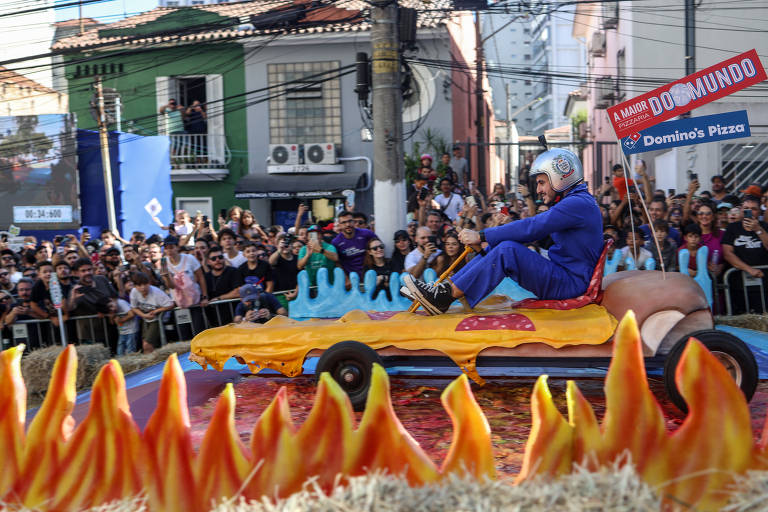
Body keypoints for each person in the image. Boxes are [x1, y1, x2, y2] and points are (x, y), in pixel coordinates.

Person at [402, 148, 602, 315]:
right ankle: (445, 291)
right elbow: (531, 228)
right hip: (565, 276)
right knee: (505, 247)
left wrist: (481, 236)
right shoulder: (578, 202)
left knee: (508, 250)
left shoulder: (577, 203)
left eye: (542, 182)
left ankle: (444, 297)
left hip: (570, 283)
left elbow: (532, 227)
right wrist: (485, 242)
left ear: (560, 178)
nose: (539, 190)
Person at [721, 196, 768, 313]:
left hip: (763, 284)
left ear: (759, 211)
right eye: (746, 208)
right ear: (741, 210)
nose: (750, 212)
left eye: (753, 209)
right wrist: (749, 269)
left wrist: (758, 229)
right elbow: (727, 253)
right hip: (738, 284)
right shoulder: (732, 228)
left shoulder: (765, 227)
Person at [129, 272, 175, 354]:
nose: (143, 287)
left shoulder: (156, 292)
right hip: (146, 319)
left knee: (147, 344)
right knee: (145, 344)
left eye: (145, 284)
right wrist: (144, 315)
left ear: (149, 283)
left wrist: (156, 311)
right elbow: (133, 307)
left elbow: (171, 304)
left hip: (157, 319)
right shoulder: (134, 292)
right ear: (135, 286)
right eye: (139, 285)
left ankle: (154, 364)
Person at [163, 235, 208, 307]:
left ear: (177, 247)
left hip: (195, 300)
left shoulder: (190, 258)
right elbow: (171, 286)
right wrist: (166, 276)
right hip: (179, 303)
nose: (169, 251)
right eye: (166, 248)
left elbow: (201, 277)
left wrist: (205, 296)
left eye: (171, 247)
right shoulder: (164, 263)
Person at [331, 211, 378, 278]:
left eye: (350, 221)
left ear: (353, 222)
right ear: (340, 225)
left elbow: (379, 248)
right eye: (344, 222)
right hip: (351, 278)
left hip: (370, 274)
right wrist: (346, 279)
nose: (348, 224)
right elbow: (337, 263)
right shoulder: (336, 242)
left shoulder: (367, 233)